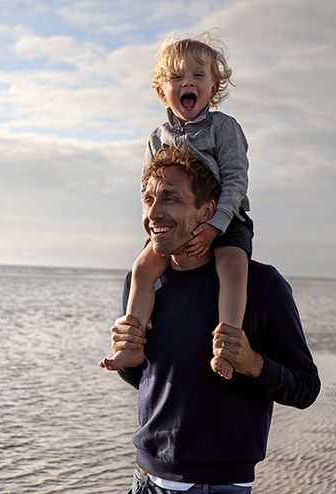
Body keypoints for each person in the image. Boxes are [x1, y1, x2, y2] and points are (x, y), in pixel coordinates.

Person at [110, 145, 320, 494]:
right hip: (147, 490)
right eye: (149, 199)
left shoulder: (261, 285)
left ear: (208, 208)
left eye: (171, 199)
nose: (155, 211)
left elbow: (305, 385)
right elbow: (156, 381)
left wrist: (254, 364)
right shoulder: (146, 286)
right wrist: (129, 359)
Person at [102, 35, 254, 380]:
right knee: (142, 268)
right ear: (161, 92)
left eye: (198, 76)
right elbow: (149, 187)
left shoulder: (224, 128)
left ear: (213, 88)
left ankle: (226, 346)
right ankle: (131, 343)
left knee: (232, 265)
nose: (187, 82)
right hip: (176, 225)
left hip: (228, 218)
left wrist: (215, 224)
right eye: (176, 77)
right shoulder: (157, 137)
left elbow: (235, 179)